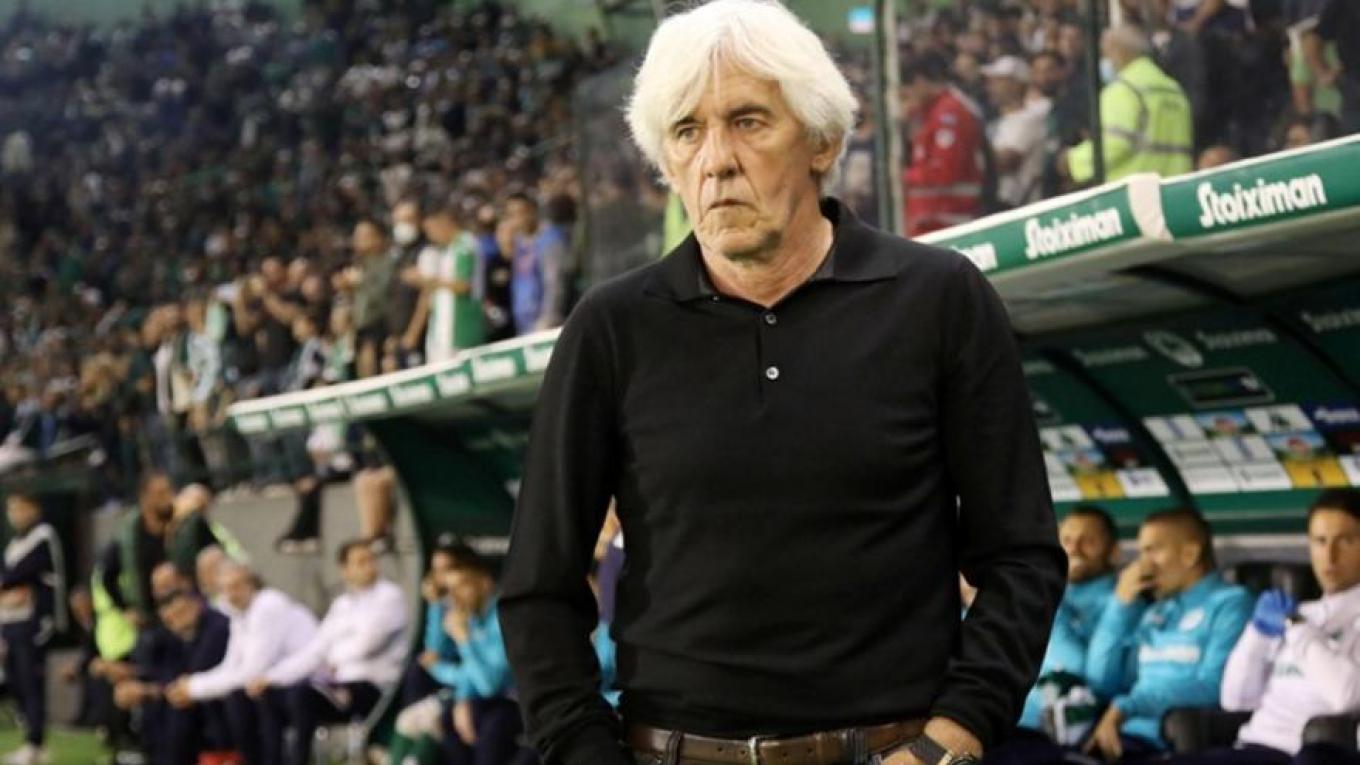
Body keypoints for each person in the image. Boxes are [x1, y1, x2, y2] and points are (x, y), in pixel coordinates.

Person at [499, 3, 1066, 765]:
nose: (716, 161)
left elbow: (1022, 556)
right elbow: (538, 585)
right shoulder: (611, 327)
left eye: (748, 122)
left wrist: (951, 739)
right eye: (686, 132)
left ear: (821, 141)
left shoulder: (939, 299)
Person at [1157, 489, 1360, 765]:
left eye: (1346, 541)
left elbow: (1347, 696)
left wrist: (1298, 629)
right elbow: (1235, 700)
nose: (1330, 555)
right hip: (1252, 747)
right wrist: (1257, 634)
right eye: (1320, 541)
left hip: (1302, 753)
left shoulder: (1299, 622)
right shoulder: (1297, 611)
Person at [1080, 508, 1252, 763]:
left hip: (1172, 744)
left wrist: (1127, 707)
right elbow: (1103, 682)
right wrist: (1120, 606)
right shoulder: (1156, 611)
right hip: (1122, 739)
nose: (1142, 565)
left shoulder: (1231, 604)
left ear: (1190, 554)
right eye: (1141, 553)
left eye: (1152, 551)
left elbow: (1215, 687)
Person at [247, 540, 407, 765]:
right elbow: (315, 650)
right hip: (338, 686)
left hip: (373, 687)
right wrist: (271, 677)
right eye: (361, 562)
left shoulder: (389, 596)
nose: (370, 567)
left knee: (301, 696)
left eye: (372, 560)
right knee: (270, 697)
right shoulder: (342, 605)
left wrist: (331, 655)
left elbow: (367, 644)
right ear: (345, 570)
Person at [988, 507, 1120, 765]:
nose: (1075, 549)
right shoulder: (1042, 595)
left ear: (1113, 552)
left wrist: (1045, 595)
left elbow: (1082, 670)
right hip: (1003, 724)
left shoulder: (1121, 604)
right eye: (1067, 540)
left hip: (1059, 737)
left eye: (1088, 541)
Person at [166, 560, 318, 765]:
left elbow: (252, 671)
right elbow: (230, 666)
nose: (231, 595)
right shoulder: (240, 615)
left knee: (242, 698)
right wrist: (193, 684)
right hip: (275, 685)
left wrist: (195, 688)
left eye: (236, 586)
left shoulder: (268, 605)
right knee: (235, 698)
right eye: (225, 589)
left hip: (307, 683)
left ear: (250, 583)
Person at [115, 563, 233, 765]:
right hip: (181, 707)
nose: (171, 619)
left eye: (176, 610)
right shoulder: (173, 636)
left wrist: (150, 691)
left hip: (215, 709)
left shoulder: (217, 628)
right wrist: (136, 683)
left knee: (179, 709)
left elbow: (196, 675)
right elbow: (163, 673)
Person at [1062, 26, 1194, 185]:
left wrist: (1073, 160)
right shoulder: (1173, 88)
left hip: (1135, 190)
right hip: (1176, 186)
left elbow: (1115, 143)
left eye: (1105, 53)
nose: (1105, 60)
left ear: (1118, 51)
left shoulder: (1124, 89)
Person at [0, 492, 67, 765]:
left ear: (33, 508)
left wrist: (11, 585)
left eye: (19, 508)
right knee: (14, 681)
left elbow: (20, 574)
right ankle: (30, 739)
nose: (14, 514)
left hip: (34, 622)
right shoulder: (13, 544)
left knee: (31, 682)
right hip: (10, 622)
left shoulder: (43, 535)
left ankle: (36, 744)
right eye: (10, 509)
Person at [900, 51, 987, 235]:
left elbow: (944, 172)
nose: (907, 98)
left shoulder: (949, 112)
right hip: (930, 220)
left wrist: (903, 176)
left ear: (919, 82)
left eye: (907, 92)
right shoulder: (928, 112)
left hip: (948, 221)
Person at [101, 472, 175, 628]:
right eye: (160, 493)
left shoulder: (181, 525)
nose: (168, 498)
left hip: (182, 614)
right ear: (144, 498)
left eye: (169, 491)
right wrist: (126, 609)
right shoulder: (128, 537)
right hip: (149, 621)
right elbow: (107, 577)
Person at [416, 200, 485, 364]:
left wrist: (427, 281)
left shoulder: (464, 246)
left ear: (443, 221)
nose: (430, 235)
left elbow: (463, 285)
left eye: (430, 229)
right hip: (442, 332)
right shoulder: (447, 250)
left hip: (460, 330)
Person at [981, 55, 1050, 210]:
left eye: (999, 81)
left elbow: (1007, 161)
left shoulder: (1028, 119)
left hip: (1020, 207)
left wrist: (971, 154)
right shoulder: (996, 122)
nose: (991, 87)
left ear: (1017, 85)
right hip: (997, 204)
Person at [1315, 0, 1360, 133]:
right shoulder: (1342, 4)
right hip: (1354, 80)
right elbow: (1313, 39)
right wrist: (1322, 72)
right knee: (1352, 134)